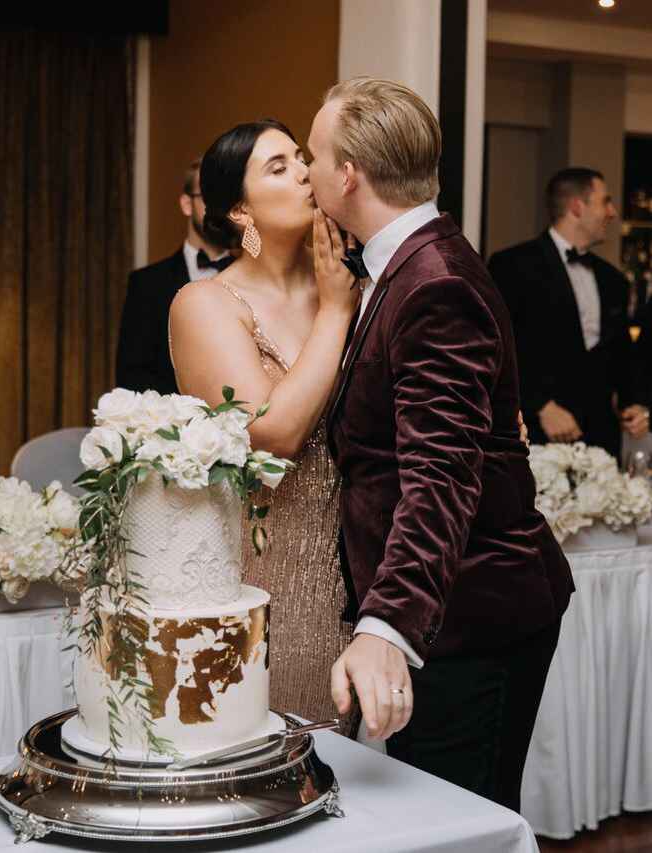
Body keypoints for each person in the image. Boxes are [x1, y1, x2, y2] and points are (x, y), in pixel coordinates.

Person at [306, 77, 574, 813]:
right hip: (452, 611)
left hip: (474, 616)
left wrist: (387, 623)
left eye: (314, 155)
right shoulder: (408, 263)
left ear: (349, 174)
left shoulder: (434, 283)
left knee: (459, 825)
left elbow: (441, 478)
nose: (308, 171)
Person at [167, 120, 361, 731]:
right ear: (239, 210)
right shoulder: (205, 305)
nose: (305, 172)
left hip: (369, 566)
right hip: (274, 573)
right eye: (278, 167)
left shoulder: (356, 279)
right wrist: (335, 312)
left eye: (302, 159)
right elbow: (273, 435)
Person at [488, 167, 649, 457]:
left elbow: (623, 357)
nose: (612, 212)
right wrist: (540, 407)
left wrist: (635, 404)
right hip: (536, 436)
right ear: (577, 206)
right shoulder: (512, 266)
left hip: (601, 443)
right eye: (605, 201)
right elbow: (496, 349)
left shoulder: (614, 281)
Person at [116, 158, 233, 394]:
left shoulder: (256, 275)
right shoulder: (146, 284)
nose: (219, 207)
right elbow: (131, 378)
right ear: (187, 204)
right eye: (209, 195)